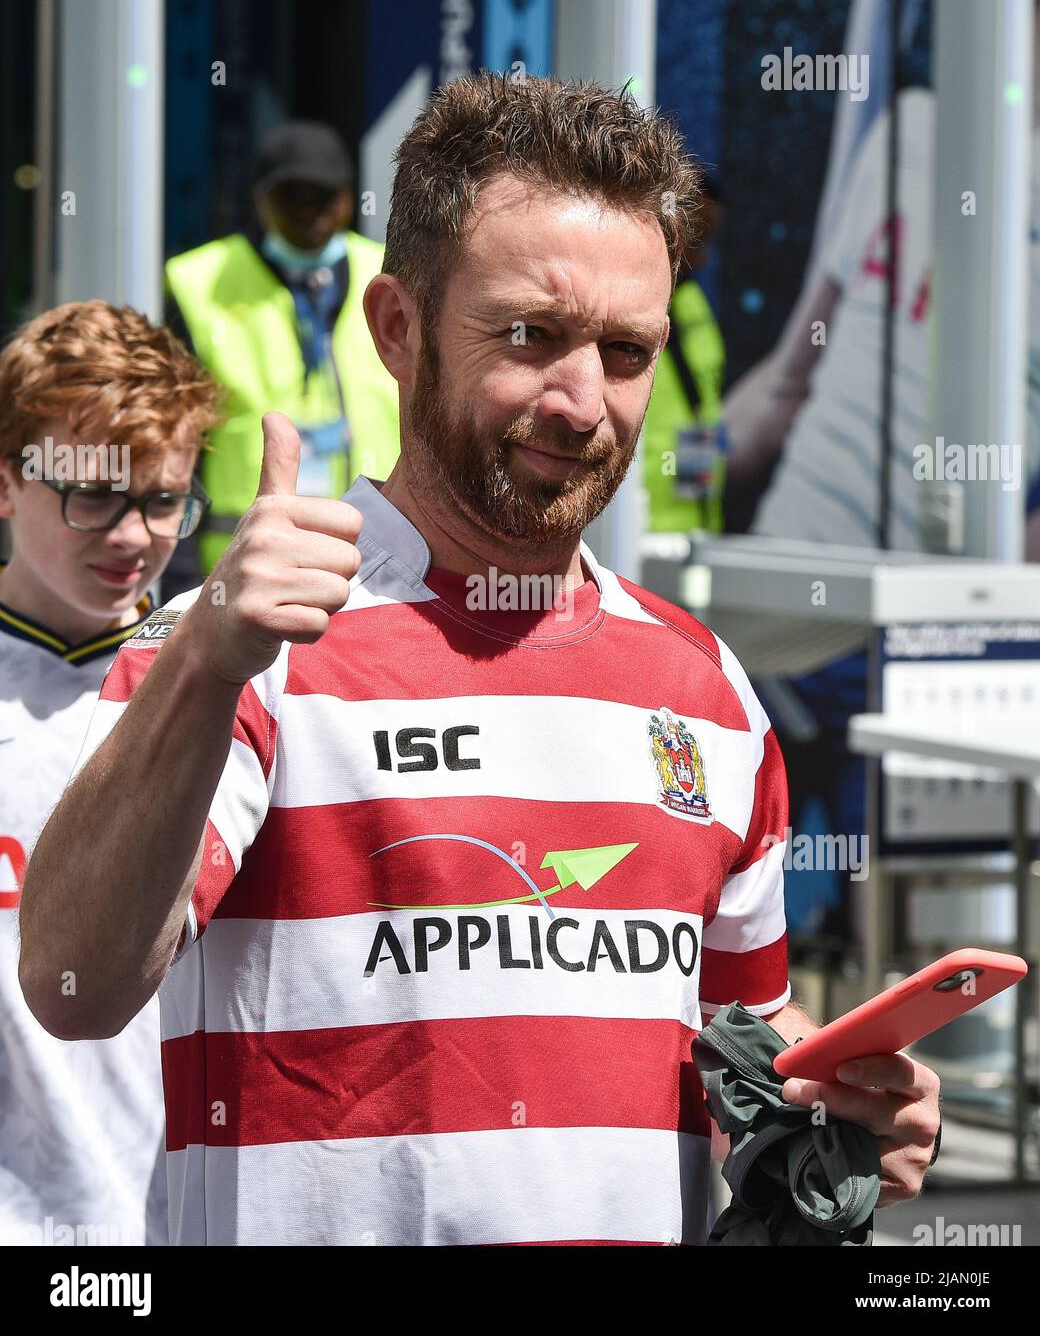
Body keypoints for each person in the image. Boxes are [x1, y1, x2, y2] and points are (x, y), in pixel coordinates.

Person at [21, 73, 940, 1247]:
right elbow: (70, 986)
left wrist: (839, 1111)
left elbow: (745, 1062)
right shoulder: (242, 647)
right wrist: (206, 663)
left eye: (624, 350)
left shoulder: (705, 691)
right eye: (529, 336)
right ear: (397, 329)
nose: (580, 401)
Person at [0, 299, 221, 1245]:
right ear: (5, 484)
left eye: (164, 499)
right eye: (92, 494)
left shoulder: (232, 678)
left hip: (182, 1227)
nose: (133, 536)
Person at [165, 119, 401, 586]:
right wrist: (180, 563)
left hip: (378, 565)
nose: (309, 212)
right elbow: (175, 436)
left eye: (324, 196)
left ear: (349, 198)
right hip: (241, 566)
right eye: (291, 196)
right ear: (260, 199)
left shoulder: (390, 274)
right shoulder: (199, 282)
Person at [641, 173, 727, 534]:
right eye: (698, 238)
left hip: (697, 525)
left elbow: (705, 412)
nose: (704, 257)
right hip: (635, 534)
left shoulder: (693, 303)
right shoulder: (617, 314)